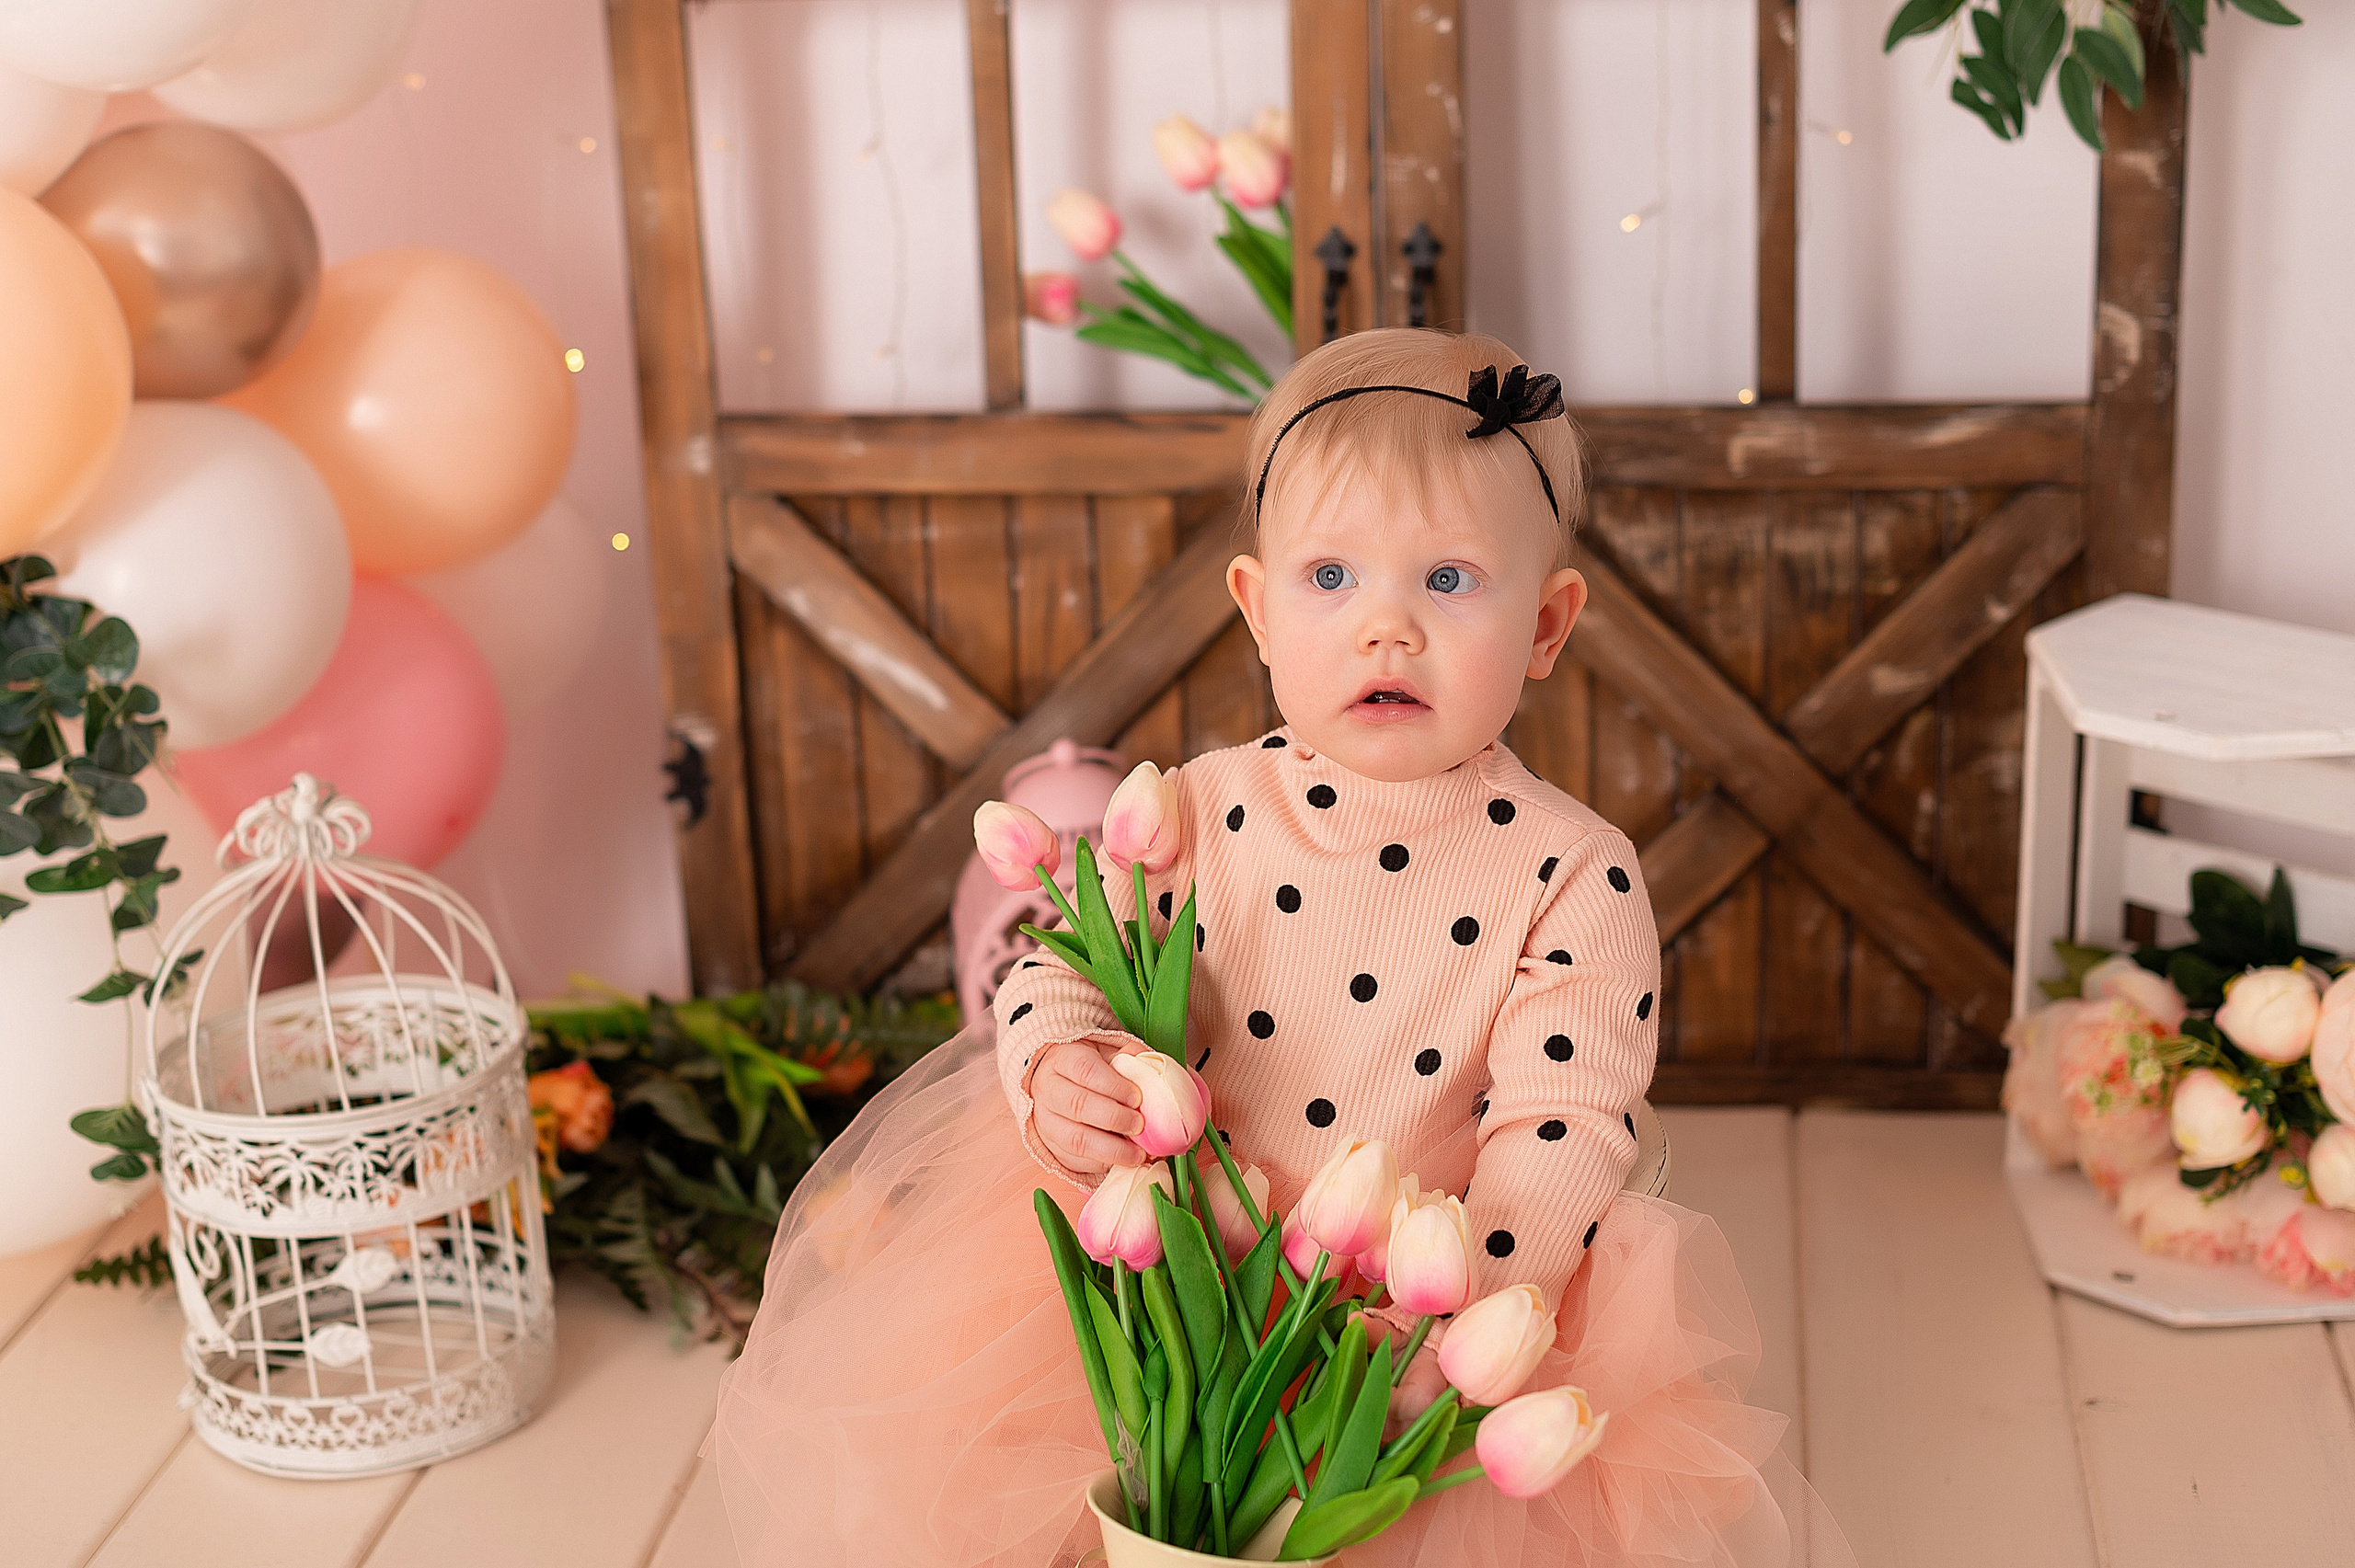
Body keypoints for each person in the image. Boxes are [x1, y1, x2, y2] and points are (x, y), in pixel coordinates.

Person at [709, 328, 1854, 1568]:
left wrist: (1448, 1321)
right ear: (1256, 609)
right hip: (1186, 1273)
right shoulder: (1199, 809)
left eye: (1451, 581)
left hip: (1425, 1292)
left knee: (1409, 1521)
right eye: (1331, 578)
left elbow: (1566, 1123)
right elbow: (1064, 962)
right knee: (1115, 1507)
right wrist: (1059, 1061)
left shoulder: (1571, 871)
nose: (1387, 630)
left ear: (1547, 622)